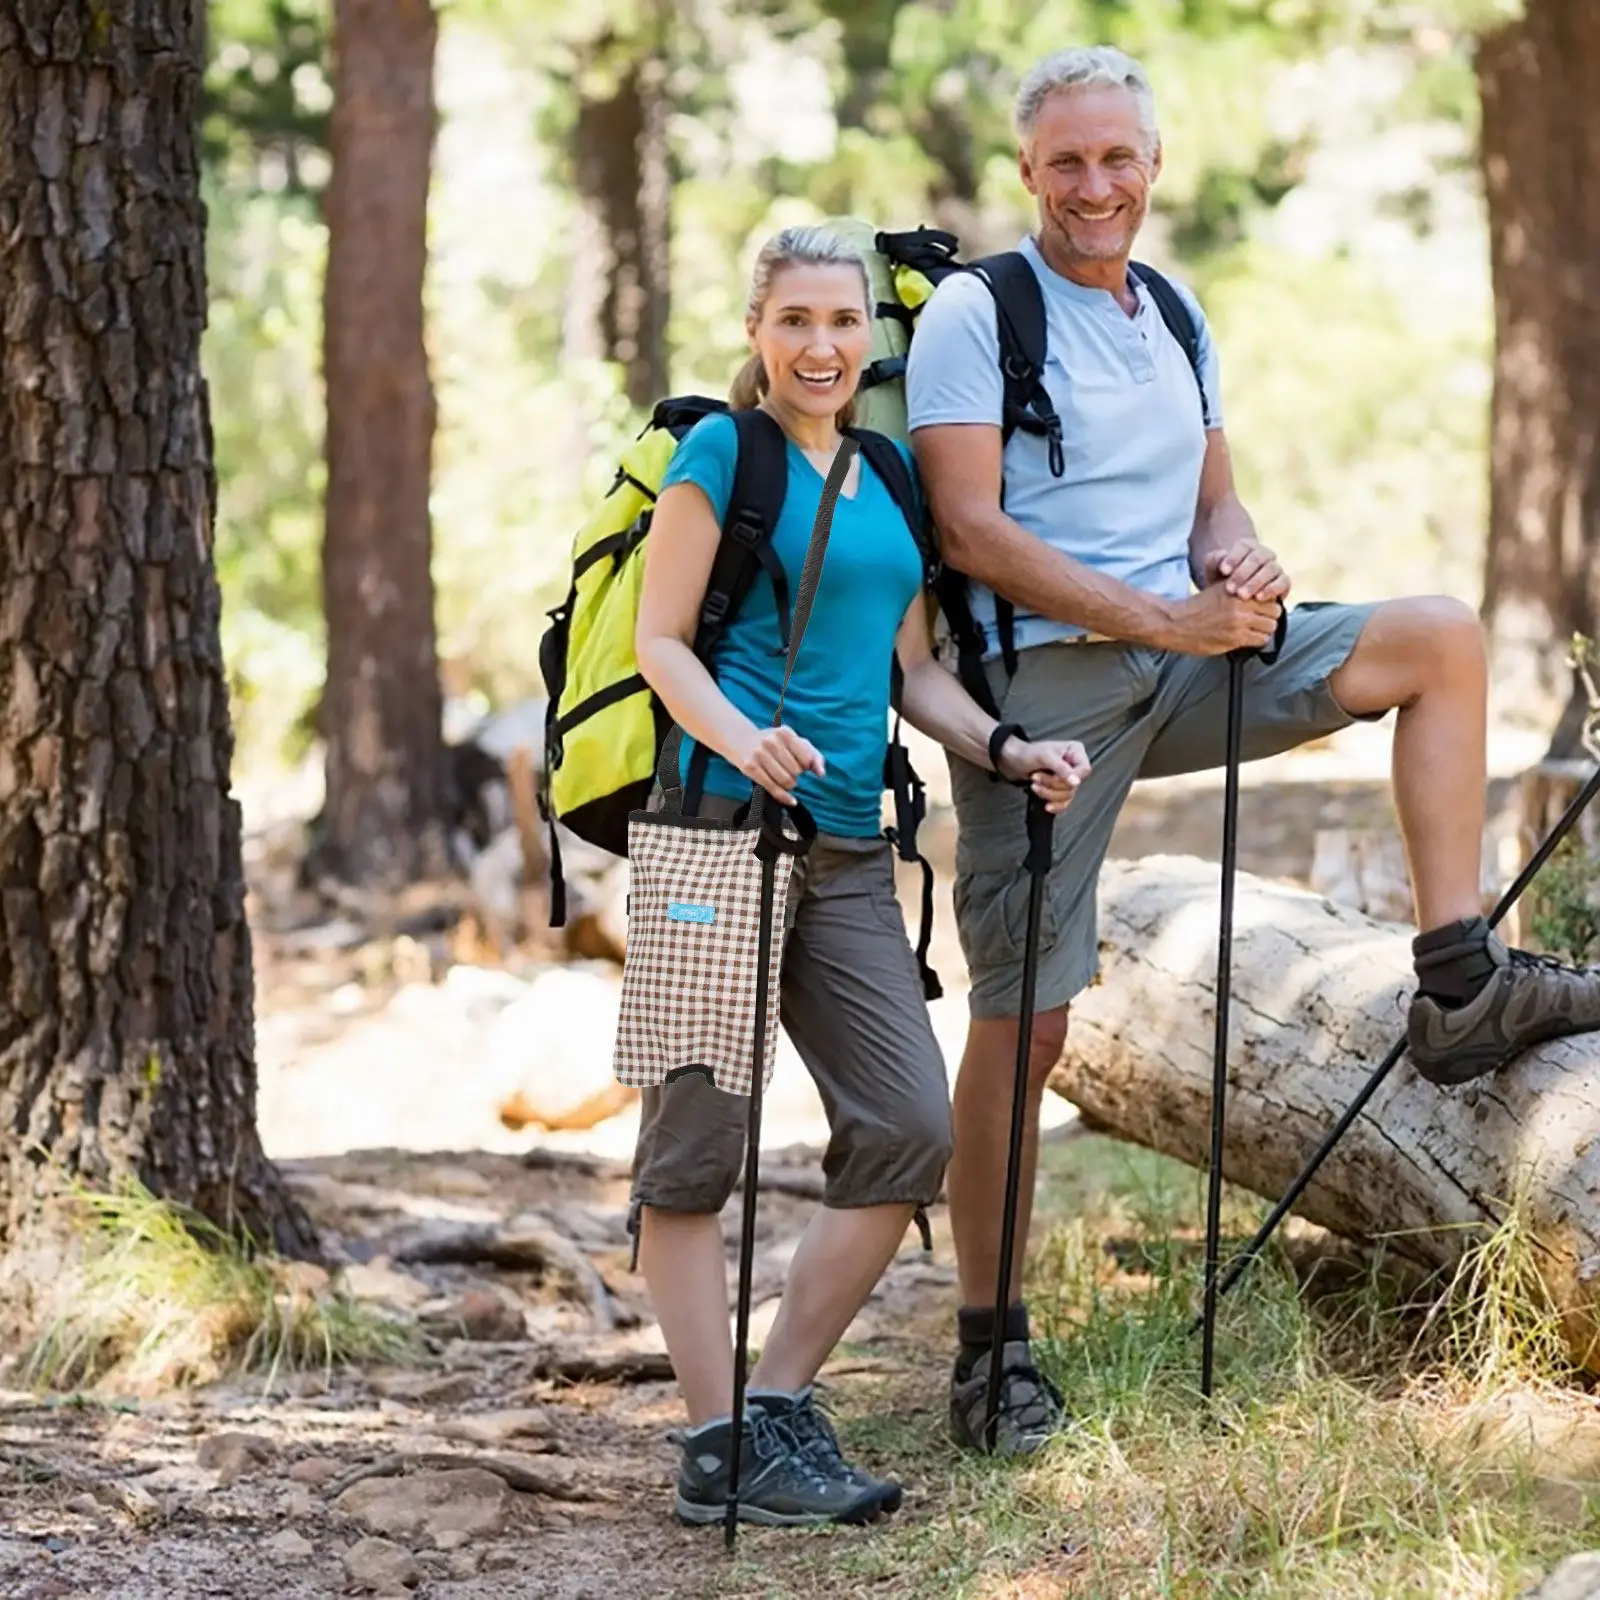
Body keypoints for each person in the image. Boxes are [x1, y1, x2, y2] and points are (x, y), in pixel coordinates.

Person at [905, 43, 1600, 1458]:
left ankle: (1460, 978)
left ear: (1153, 169)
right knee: (1025, 1023)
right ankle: (989, 1348)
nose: (1097, 185)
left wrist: (1242, 564)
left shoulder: (1172, 307)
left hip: (1191, 653)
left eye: (1120, 159)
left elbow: (1214, 500)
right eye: (1069, 162)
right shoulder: (977, 314)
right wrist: (1166, 614)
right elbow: (970, 530)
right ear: (1029, 173)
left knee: (1437, 638)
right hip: (1042, 694)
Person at [629, 224, 1093, 1527]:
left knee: (909, 1128)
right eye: (795, 321)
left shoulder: (887, 473)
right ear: (757, 331)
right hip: (709, 838)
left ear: (866, 338)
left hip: (843, 853)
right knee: (690, 1155)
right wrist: (741, 737)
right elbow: (660, 642)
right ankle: (716, 1445)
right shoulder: (720, 454)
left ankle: (775, 1410)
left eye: (843, 323)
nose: (822, 346)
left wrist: (1004, 745)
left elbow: (911, 670)